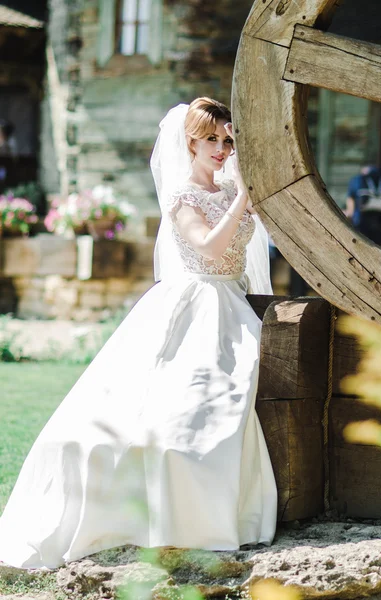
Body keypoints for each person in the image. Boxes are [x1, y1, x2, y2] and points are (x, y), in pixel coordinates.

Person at [0, 98, 277, 570]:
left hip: (233, 305)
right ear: (189, 142)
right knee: (160, 411)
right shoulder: (182, 196)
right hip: (192, 303)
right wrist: (243, 199)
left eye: (227, 140)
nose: (220, 147)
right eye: (210, 138)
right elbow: (210, 249)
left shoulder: (233, 189)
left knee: (234, 400)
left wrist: (246, 194)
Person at [344, 165, 381, 246]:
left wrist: (349, 214)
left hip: (362, 221)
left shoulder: (357, 180)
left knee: (363, 245)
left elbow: (350, 203)